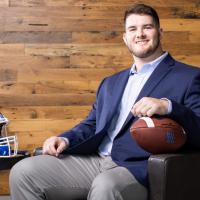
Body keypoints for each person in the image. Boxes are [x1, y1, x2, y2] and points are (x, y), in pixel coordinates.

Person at [9, 3, 200, 200]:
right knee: (24, 172)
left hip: (138, 167)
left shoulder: (188, 77)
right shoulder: (111, 82)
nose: (140, 34)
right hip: (96, 160)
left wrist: (169, 106)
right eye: (133, 29)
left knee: (105, 186)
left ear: (160, 32)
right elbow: (92, 123)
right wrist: (65, 139)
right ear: (125, 38)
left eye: (147, 27)